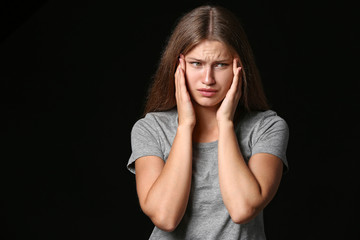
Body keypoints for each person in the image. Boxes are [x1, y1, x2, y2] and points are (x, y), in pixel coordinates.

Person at [127, 5, 289, 240]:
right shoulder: (150, 129)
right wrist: (184, 127)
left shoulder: (267, 128)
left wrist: (225, 123)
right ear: (178, 65)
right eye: (196, 63)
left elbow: (242, 208)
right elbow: (165, 217)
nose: (207, 79)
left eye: (220, 65)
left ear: (238, 68)